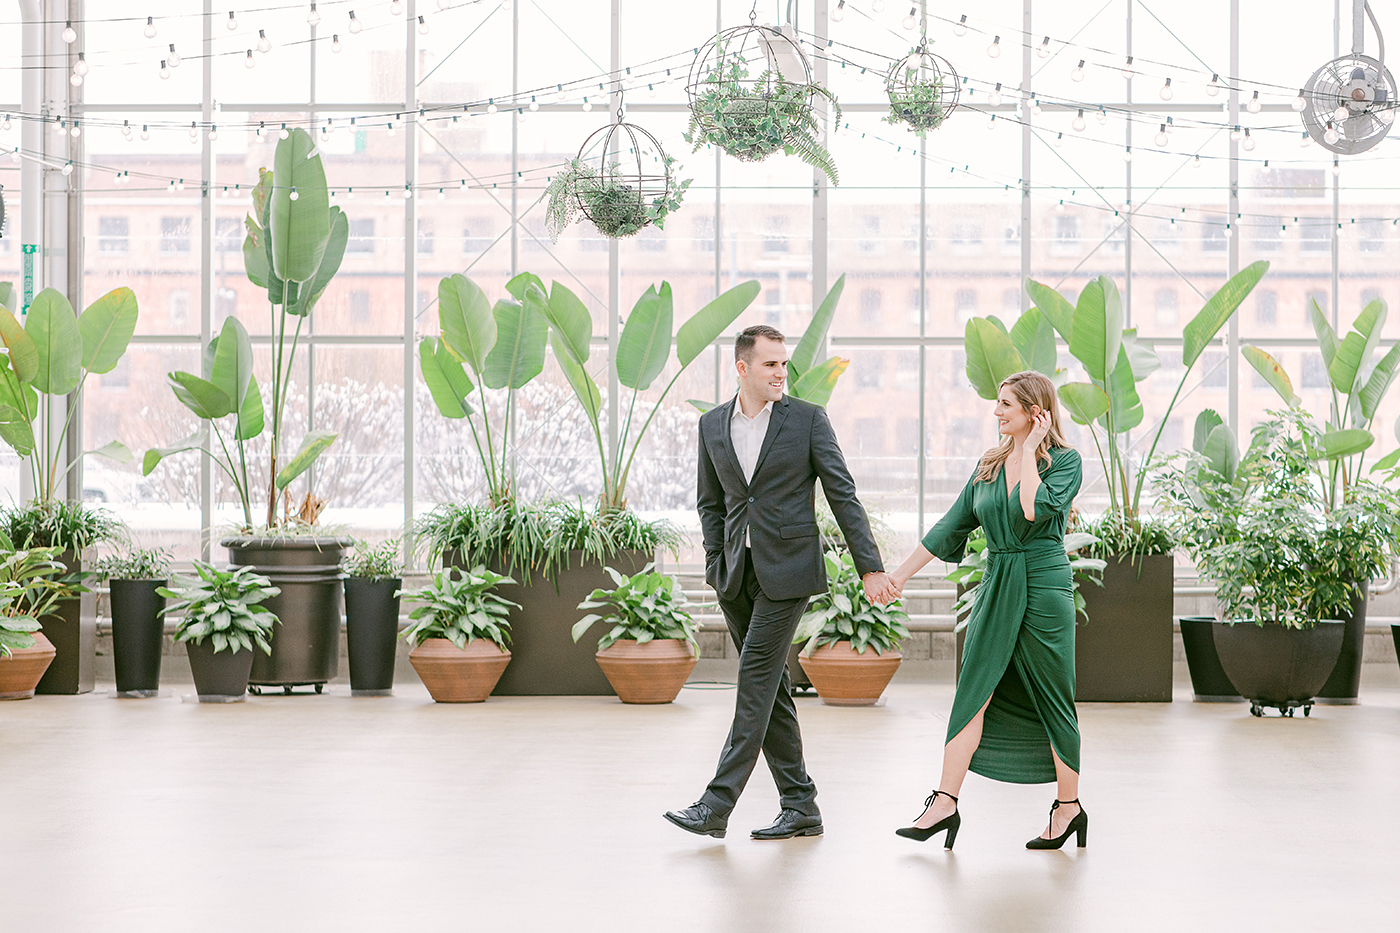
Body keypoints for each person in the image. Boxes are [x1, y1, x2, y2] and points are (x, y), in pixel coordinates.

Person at [664, 324, 897, 841]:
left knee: (753, 678)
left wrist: (870, 566)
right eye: (770, 364)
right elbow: (712, 502)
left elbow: (843, 495)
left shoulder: (808, 421)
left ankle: (716, 804)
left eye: (784, 363)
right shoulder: (712, 425)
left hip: (788, 571)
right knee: (772, 693)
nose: (781, 372)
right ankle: (801, 805)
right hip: (734, 573)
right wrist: (711, 560)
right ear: (743, 368)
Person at [886, 371, 1087, 850]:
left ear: (1035, 412)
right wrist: (900, 575)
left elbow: (1034, 509)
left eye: (1006, 405)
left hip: (1042, 585)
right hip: (998, 584)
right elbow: (949, 524)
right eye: (998, 404)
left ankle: (1068, 808)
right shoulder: (988, 464)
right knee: (974, 689)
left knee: (1053, 694)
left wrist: (1030, 450)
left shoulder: (1066, 461)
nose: (996, 412)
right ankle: (943, 803)